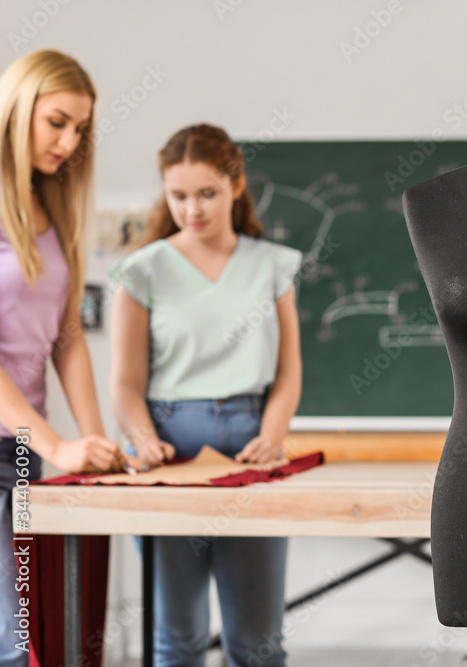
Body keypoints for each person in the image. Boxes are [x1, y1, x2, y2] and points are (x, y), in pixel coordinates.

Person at [110, 124, 302, 666]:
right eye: (178, 195)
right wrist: (142, 439)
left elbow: (289, 372)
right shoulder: (142, 270)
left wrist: (272, 434)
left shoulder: (273, 265)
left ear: (236, 186)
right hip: (166, 450)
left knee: (258, 645)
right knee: (177, 639)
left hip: (250, 444)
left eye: (207, 193)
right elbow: (125, 383)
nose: (192, 208)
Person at [0, 49, 129, 665]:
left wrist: (94, 442)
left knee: (33, 634)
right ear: (16, 109)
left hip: (22, 447)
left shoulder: (52, 210)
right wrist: (57, 446)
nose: (69, 141)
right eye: (57, 122)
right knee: (12, 637)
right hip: (26, 442)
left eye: (80, 129)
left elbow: (67, 335)